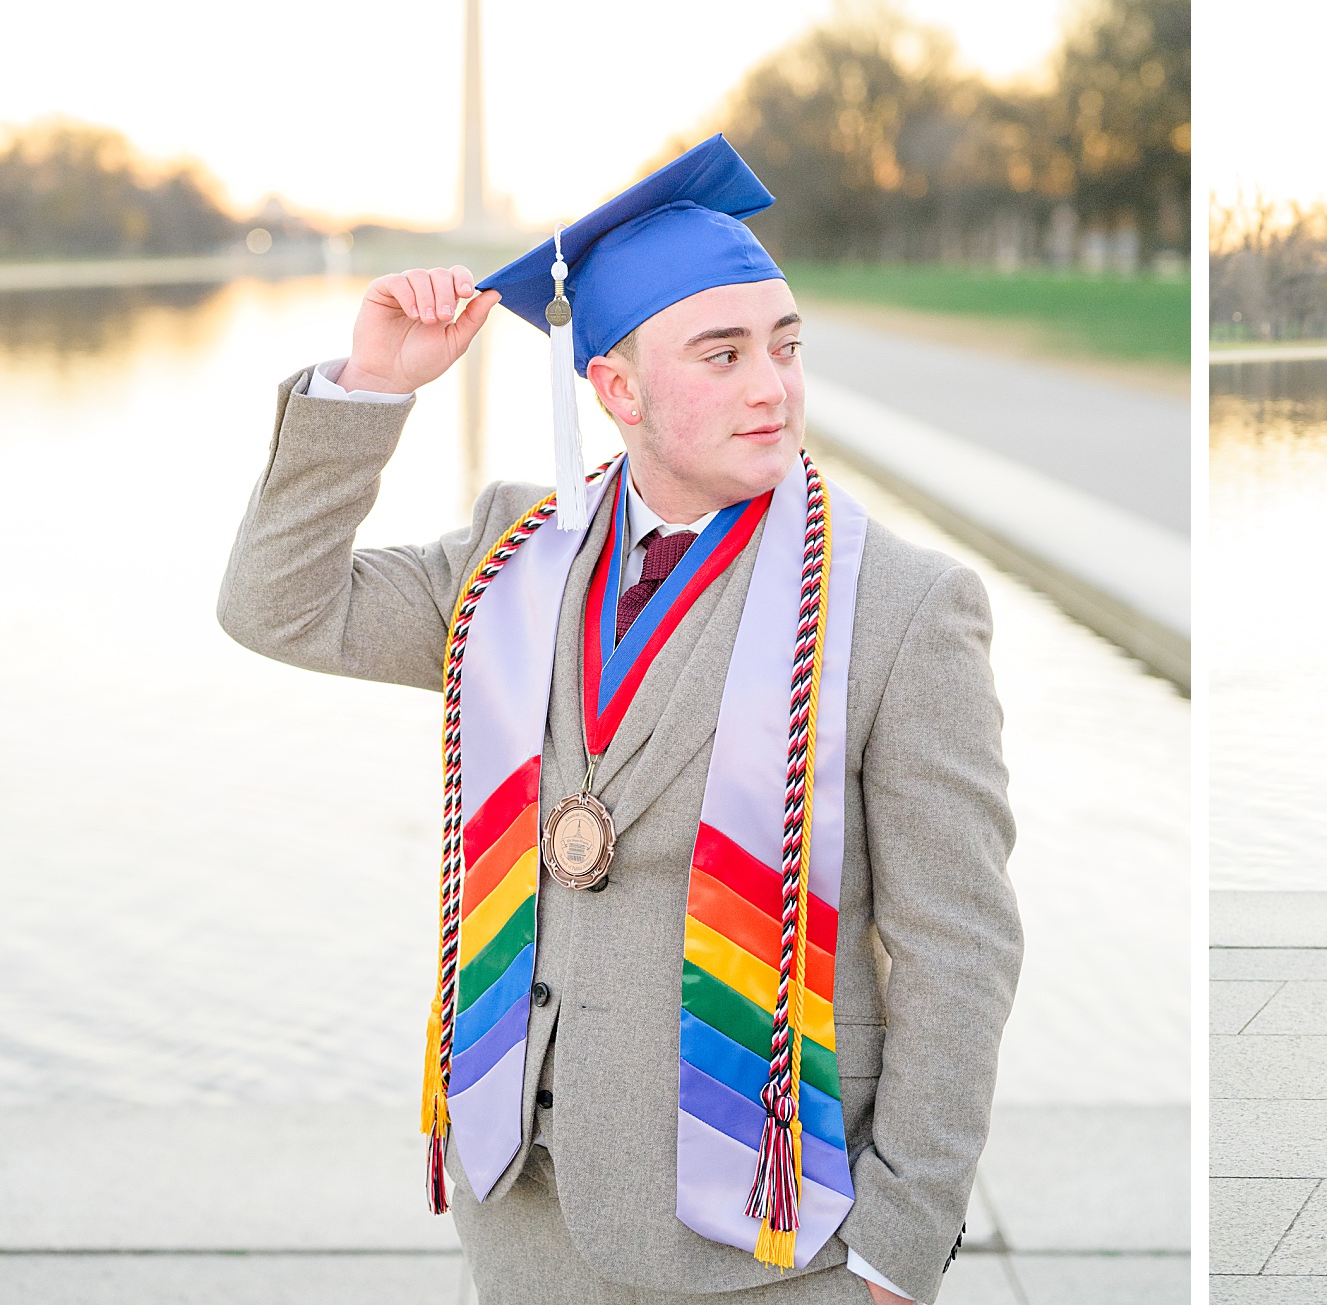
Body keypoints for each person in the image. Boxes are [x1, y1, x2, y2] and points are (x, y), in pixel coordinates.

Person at [217, 137, 1021, 1303]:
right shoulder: (507, 560)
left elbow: (961, 949)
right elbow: (277, 608)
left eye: (786, 348)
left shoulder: (899, 607)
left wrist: (900, 1249)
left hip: (774, 1236)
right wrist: (373, 386)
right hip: (528, 1210)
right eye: (724, 353)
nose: (773, 387)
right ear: (617, 389)